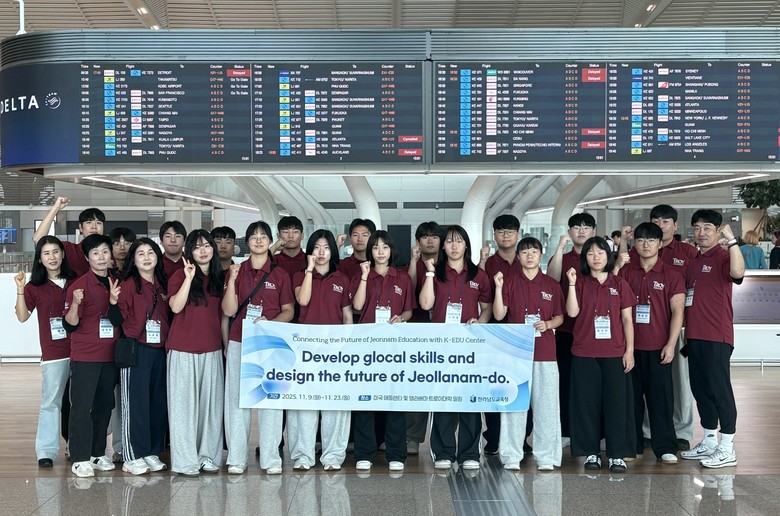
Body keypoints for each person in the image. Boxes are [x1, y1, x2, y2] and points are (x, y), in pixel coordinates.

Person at [222, 221, 294, 475]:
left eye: (264, 236)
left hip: (270, 344)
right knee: (236, 401)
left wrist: (270, 324)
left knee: (270, 399)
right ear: (247, 242)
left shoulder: (280, 274)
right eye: (254, 237)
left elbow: (289, 311)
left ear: (270, 240)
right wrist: (231, 280)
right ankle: (236, 458)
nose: (259, 240)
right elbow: (229, 310)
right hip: (239, 341)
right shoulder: (236, 271)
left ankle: (271, 458)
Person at [419, 225, 492, 470]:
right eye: (449, 241)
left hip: (470, 345)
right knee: (443, 397)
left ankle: (470, 452)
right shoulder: (435, 272)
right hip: (441, 345)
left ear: (466, 245)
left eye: (458, 241)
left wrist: (480, 321)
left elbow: (488, 307)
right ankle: (443, 452)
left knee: (470, 398)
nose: (453, 246)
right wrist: (429, 274)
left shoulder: (478, 275)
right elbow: (425, 303)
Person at [492, 236, 563, 471]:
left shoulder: (551, 285)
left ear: (541, 255)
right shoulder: (510, 282)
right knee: (514, 405)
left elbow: (560, 317)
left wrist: (549, 325)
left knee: (547, 406)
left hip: (545, 354)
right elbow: (500, 315)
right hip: (515, 355)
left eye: (534, 251)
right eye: (525, 252)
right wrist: (500, 288)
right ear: (519, 256)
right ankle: (512, 455)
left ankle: (546, 456)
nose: (529, 256)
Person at [565, 236, 635, 473]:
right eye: (591, 253)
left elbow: (627, 319)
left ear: (609, 255)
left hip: (614, 352)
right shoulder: (581, 282)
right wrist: (572, 284)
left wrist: (630, 350)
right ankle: (591, 453)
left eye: (601, 252)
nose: (596, 257)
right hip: (584, 352)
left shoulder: (619, 284)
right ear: (585, 258)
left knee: (617, 405)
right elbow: (572, 312)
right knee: (586, 405)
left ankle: (617, 454)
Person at [680, 210, 744, 469]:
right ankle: (708, 441)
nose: (702, 232)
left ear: (718, 230)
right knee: (701, 391)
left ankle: (727, 447)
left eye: (707, 227)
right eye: (697, 227)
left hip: (717, 336)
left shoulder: (723, 255)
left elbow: (738, 274)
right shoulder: (695, 260)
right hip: (694, 335)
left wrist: (732, 241)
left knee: (720, 391)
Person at [618, 222, 685, 465]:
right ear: (635, 244)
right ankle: (632, 444)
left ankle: (665, 446)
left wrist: (670, 344)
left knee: (661, 400)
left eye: (651, 240)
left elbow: (678, 311)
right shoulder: (626, 272)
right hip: (628, 349)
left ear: (659, 244)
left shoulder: (672, 274)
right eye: (641, 240)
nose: (646, 245)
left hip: (659, 347)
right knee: (630, 400)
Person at [350, 230, 415, 472]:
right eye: (375, 247)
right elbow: (357, 306)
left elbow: (409, 310)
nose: (380, 251)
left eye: (384, 247)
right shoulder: (362, 276)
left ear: (391, 251)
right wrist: (365, 277)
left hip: (394, 348)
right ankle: (364, 452)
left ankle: (395, 453)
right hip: (367, 347)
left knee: (394, 401)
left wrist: (402, 318)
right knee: (366, 401)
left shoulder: (403, 278)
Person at [288, 230, 352, 471]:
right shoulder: (298, 275)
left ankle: (333, 455)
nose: (321, 252)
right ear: (310, 251)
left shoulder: (342, 279)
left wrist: (346, 347)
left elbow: (347, 315)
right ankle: (303, 455)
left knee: (334, 403)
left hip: (335, 349)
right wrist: (308, 270)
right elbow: (302, 301)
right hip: (305, 349)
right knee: (305, 403)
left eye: (326, 247)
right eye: (316, 247)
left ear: (332, 251)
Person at [167, 230, 225, 476]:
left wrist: (224, 347)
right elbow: (175, 306)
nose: (203, 250)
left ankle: (207, 456)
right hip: (182, 349)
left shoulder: (218, 277)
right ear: (189, 251)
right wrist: (189, 279)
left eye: (207, 246)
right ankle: (185, 461)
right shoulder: (180, 275)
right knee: (183, 409)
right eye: (197, 247)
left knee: (211, 409)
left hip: (212, 349)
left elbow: (223, 315)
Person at [15, 236, 76, 468]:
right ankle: (46, 451)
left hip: (81, 350)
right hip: (54, 353)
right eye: (46, 253)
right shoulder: (34, 287)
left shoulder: (75, 281)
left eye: (56, 252)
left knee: (78, 402)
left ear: (62, 254)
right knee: (52, 402)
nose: (52, 257)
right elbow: (22, 316)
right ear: (39, 259)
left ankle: (75, 445)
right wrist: (20, 290)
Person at [62, 234, 121, 477]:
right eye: (95, 253)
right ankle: (80, 457)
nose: (101, 257)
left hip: (110, 356)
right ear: (87, 258)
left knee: (104, 406)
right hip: (85, 356)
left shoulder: (116, 282)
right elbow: (70, 325)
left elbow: (119, 320)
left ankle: (98, 453)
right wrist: (75, 304)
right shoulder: (78, 286)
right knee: (82, 408)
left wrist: (115, 300)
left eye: (105, 252)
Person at [116, 238, 171, 475]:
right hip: (136, 350)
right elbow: (119, 318)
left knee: (157, 404)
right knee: (135, 405)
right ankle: (132, 455)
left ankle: (151, 451)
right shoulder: (127, 285)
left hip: (161, 350)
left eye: (151, 252)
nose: (147, 257)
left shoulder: (163, 284)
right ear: (133, 260)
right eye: (140, 254)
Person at [546, 213, 597, 447]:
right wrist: (559, 248)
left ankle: (596, 431)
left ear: (594, 231)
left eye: (587, 227)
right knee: (565, 381)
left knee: (592, 384)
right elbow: (553, 278)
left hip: (594, 333)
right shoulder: (563, 258)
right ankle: (566, 430)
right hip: (566, 330)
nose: (581, 230)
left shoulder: (599, 258)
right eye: (576, 227)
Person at [480, 214, 522, 456]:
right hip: (493, 333)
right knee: (495, 386)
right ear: (494, 235)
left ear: (517, 234)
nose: (505, 236)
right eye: (500, 232)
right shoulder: (488, 264)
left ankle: (520, 439)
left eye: (510, 231)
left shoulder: (527, 258)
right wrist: (483, 262)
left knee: (520, 385)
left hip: (521, 334)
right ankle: (493, 437)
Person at [404, 221, 442, 455]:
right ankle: (413, 437)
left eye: (434, 236)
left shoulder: (449, 264)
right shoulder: (412, 264)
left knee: (445, 385)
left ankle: (443, 439)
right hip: (417, 330)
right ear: (418, 241)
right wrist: (413, 262)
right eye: (424, 236)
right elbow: (409, 288)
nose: (429, 240)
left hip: (445, 333)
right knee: (418, 384)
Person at [33, 196, 106, 277]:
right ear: (80, 228)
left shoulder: (111, 251)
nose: (94, 226)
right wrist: (56, 208)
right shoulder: (70, 250)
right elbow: (38, 239)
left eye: (99, 223)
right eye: (89, 222)